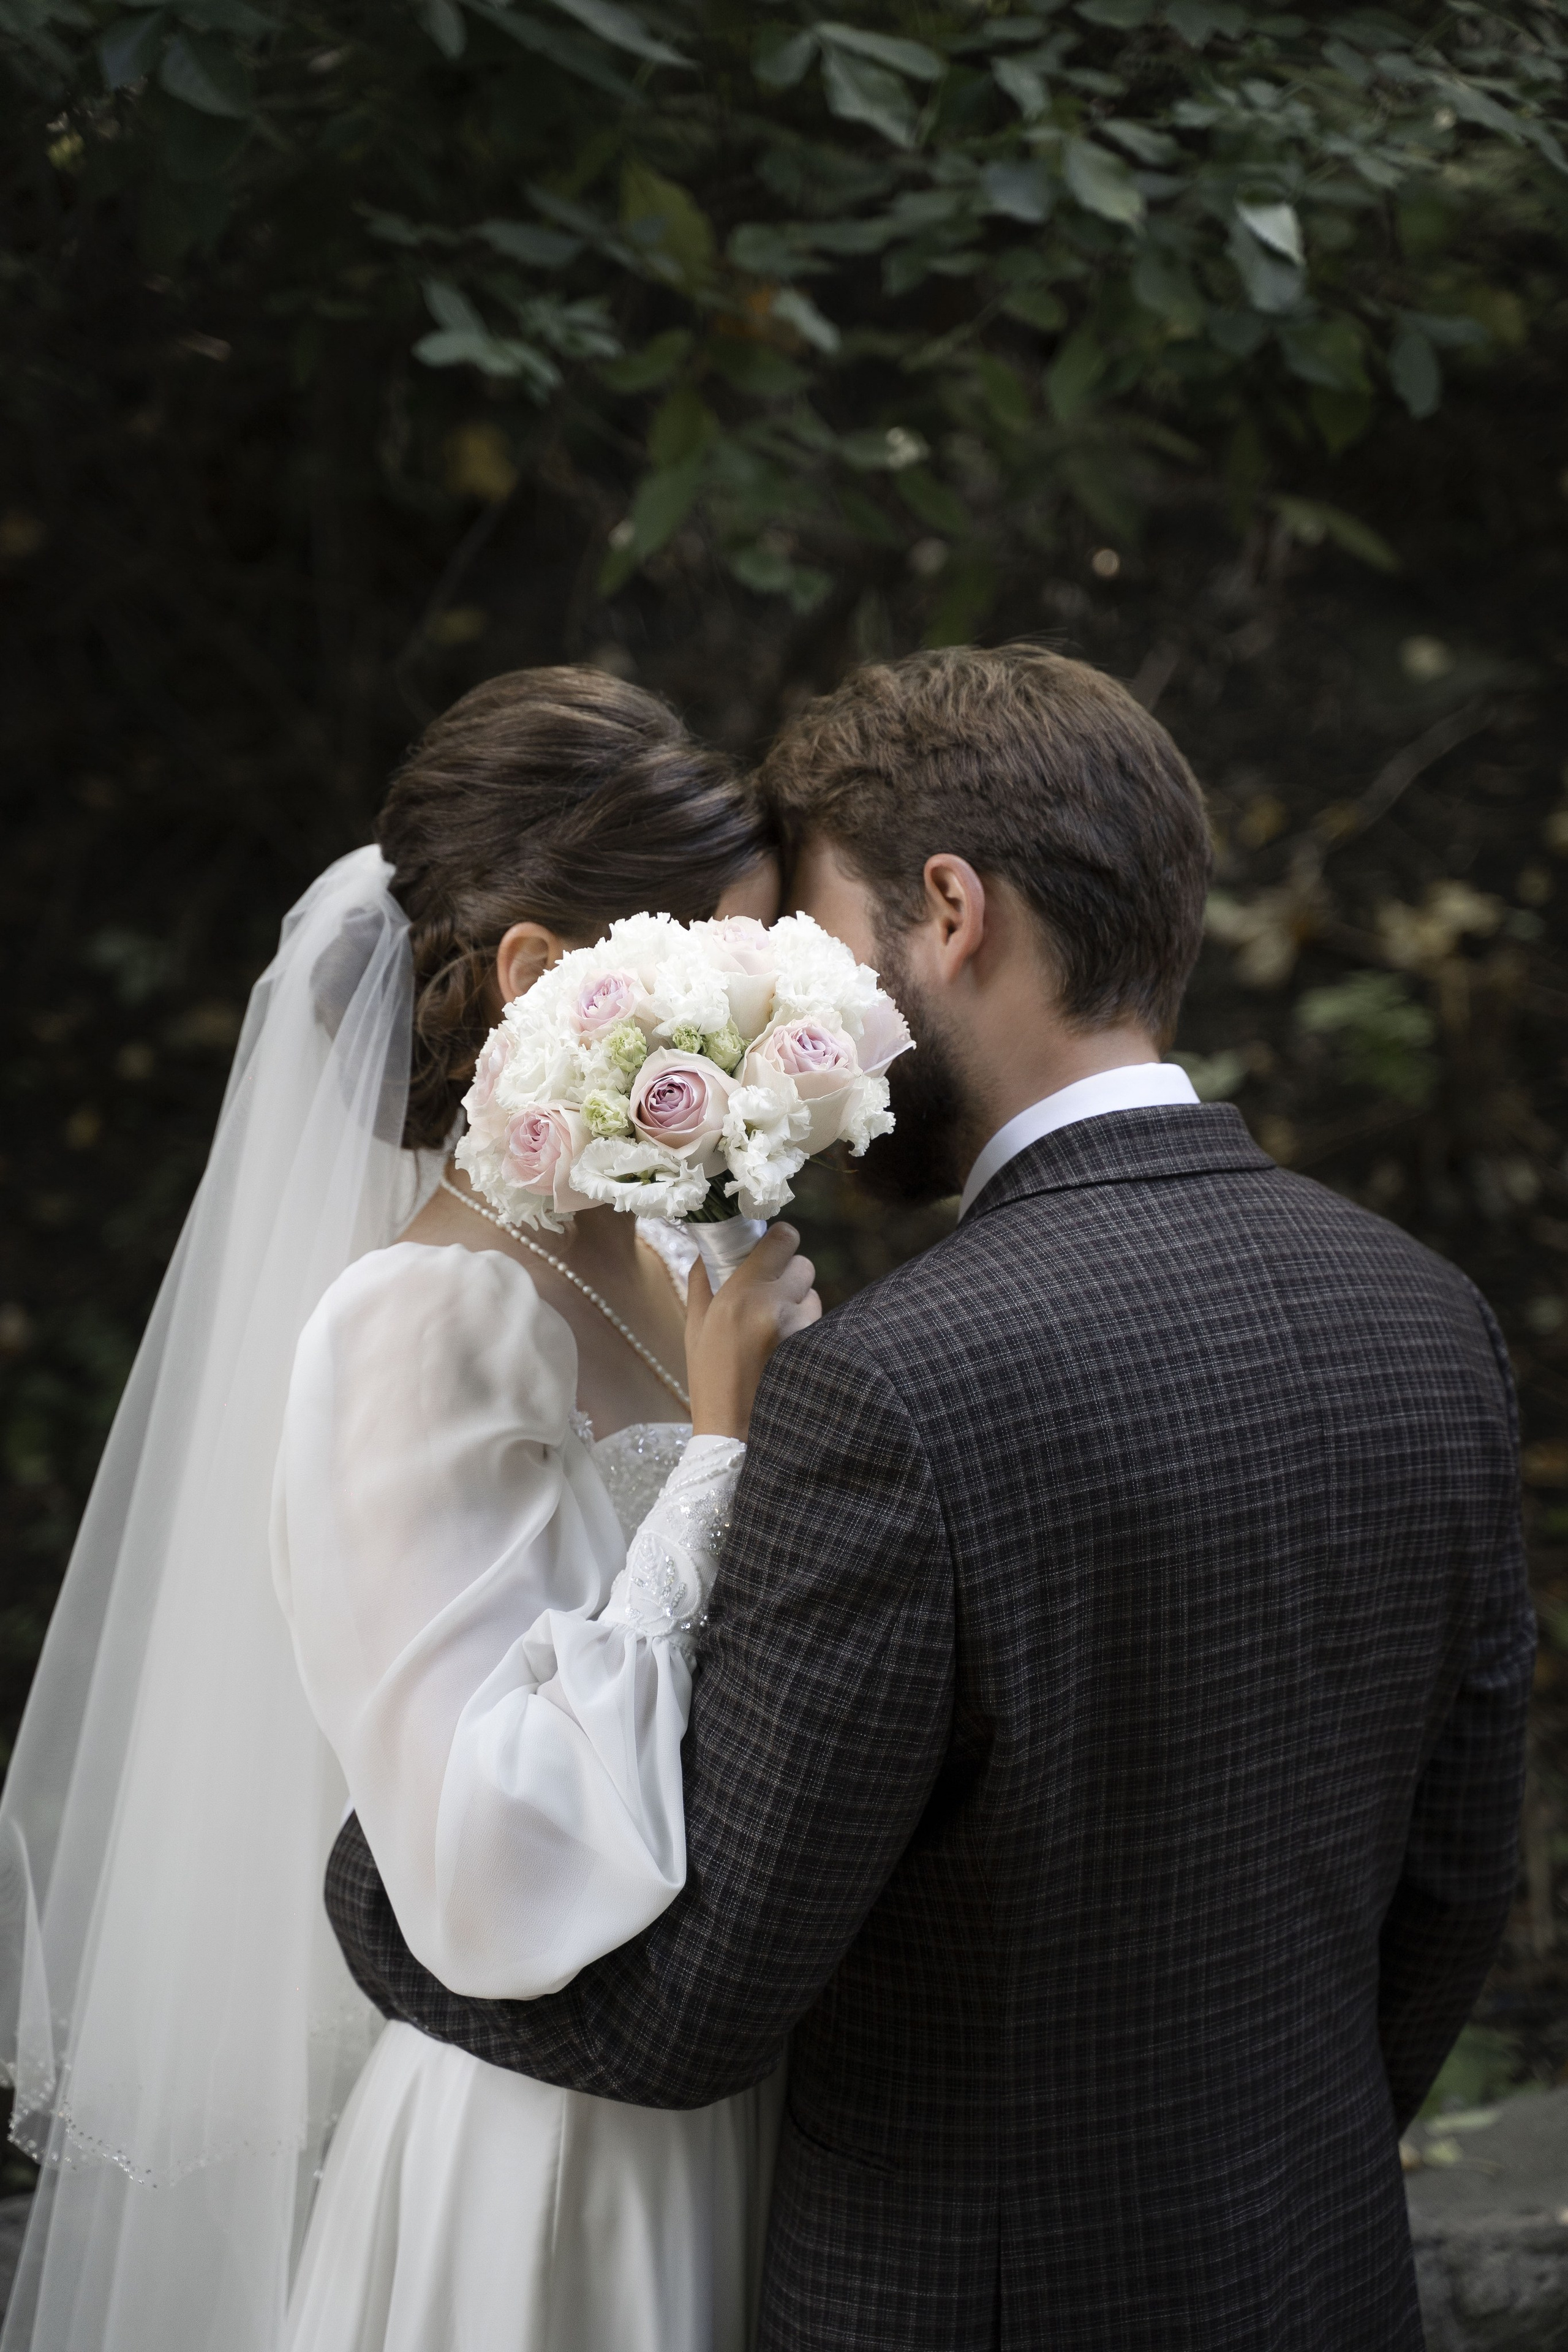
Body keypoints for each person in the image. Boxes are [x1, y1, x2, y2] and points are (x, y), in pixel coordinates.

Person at [327, 644, 1534, 2352]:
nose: (803, 1036)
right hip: (1312, 2268)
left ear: (950, 911)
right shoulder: (1427, 1319)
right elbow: (1458, 1884)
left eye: (816, 958)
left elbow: (696, 2011)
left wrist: (371, 1903)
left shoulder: (895, 1392)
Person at [0, 668, 810, 2352]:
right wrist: (726, 1458)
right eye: (723, 973)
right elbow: (485, 1862)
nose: (760, 1036)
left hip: (749, 2106)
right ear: (539, 976)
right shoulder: (415, 1323)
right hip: (556, 2163)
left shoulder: (683, 1259)